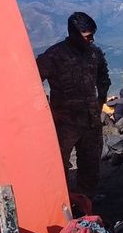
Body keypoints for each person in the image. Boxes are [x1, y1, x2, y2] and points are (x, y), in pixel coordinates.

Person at [36, 12, 110, 198]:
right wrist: (45, 111)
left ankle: (87, 204)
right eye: (87, 36)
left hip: (91, 123)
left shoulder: (94, 53)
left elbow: (103, 78)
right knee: (59, 167)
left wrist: (100, 102)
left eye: (93, 35)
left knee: (91, 166)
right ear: (74, 34)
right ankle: (63, 203)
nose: (91, 40)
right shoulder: (54, 56)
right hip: (64, 124)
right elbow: (32, 83)